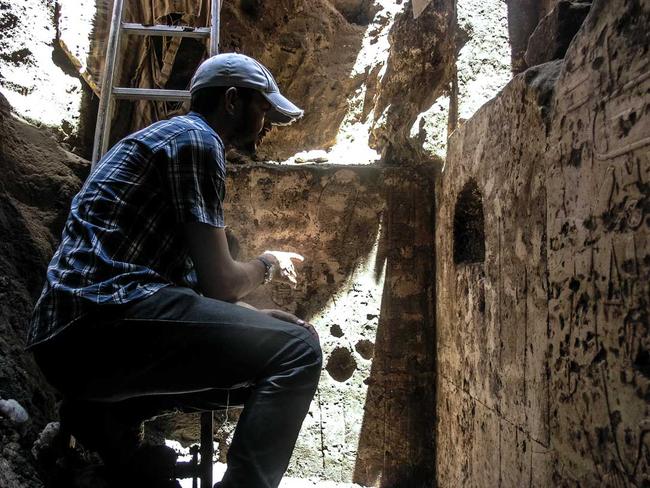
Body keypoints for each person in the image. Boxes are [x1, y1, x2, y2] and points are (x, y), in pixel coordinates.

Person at [27, 53, 322, 488]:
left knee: (248, 377)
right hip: (98, 319)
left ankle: (102, 416)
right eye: (264, 109)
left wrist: (255, 320)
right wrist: (265, 265)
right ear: (233, 100)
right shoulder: (197, 139)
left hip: (66, 340)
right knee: (297, 351)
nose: (268, 123)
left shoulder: (162, 138)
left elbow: (188, 294)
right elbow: (220, 285)